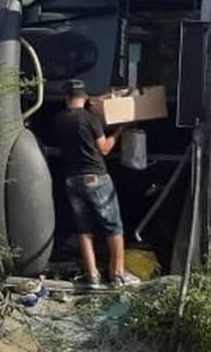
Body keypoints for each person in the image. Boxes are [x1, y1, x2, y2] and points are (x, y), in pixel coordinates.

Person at [52, 79, 140, 289]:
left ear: (66, 98)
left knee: (84, 229)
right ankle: (117, 274)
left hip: (72, 180)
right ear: (85, 96)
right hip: (96, 177)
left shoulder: (59, 120)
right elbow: (105, 148)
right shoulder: (89, 119)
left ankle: (92, 276)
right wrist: (120, 129)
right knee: (114, 227)